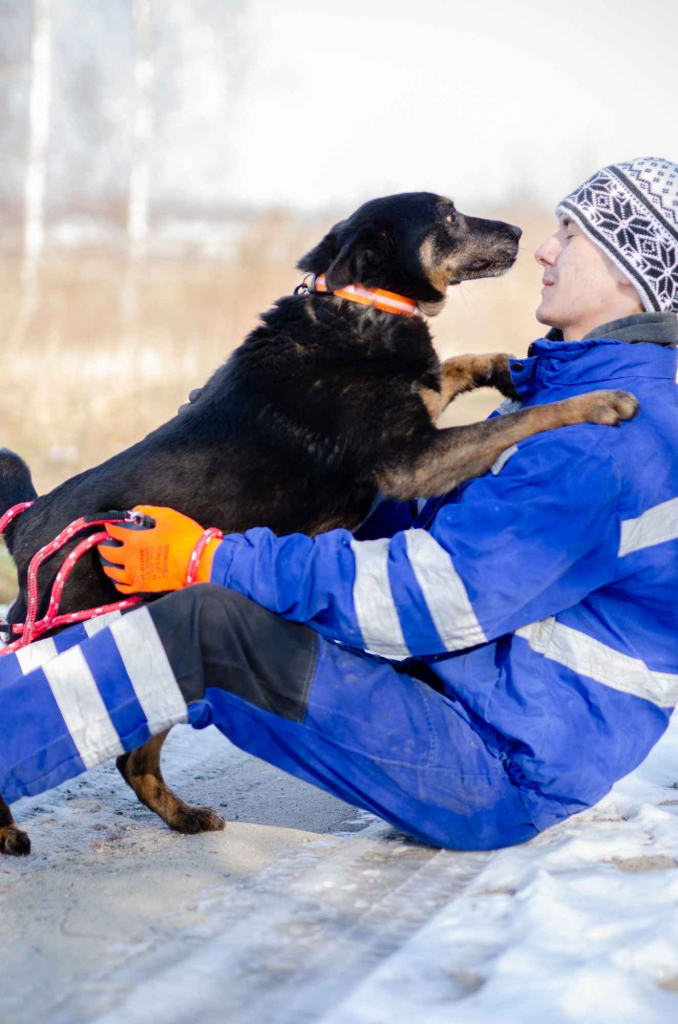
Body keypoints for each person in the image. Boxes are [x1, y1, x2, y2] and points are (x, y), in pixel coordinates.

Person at [2, 156, 678, 851]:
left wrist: (208, 557)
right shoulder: (581, 397)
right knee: (230, 576)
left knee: (209, 623)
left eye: (570, 234)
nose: (543, 246)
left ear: (632, 270)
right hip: (464, 708)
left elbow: (429, 596)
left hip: (492, 765)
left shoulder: (607, 437)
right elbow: (438, 523)